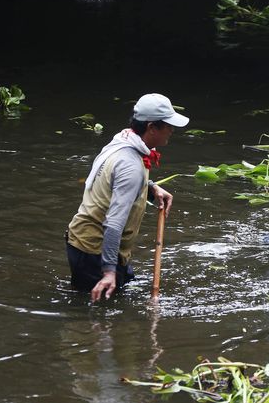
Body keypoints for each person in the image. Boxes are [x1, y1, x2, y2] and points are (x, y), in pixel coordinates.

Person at [66, 93, 189, 302]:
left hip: (83, 243)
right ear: (151, 127)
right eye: (168, 125)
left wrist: (151, 188)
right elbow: (114, 224)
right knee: (99, 314)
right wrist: (108, 272)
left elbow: (114, 182)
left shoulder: (124, 140)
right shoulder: (131, 164)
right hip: (94, 249)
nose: (172, 130)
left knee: (122, 291)